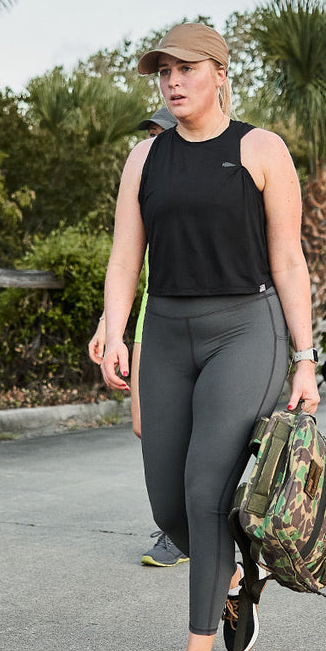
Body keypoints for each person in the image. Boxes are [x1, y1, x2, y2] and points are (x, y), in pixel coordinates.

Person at [100, 22, 319, 651]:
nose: (171, 80)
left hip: (244, 331)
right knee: (167, 505)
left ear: (220, 73)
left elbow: (288, 260)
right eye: (163, 70)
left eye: (186, 68)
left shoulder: (260, 150)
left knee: (203, 489)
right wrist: (112, 327)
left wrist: (306, 356)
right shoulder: (145, 158)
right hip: (165, 333)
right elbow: (125, 258)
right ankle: (230, 579)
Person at [87, 107, 188, 568]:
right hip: (152, 317)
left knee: (196, 433)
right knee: (145, 425)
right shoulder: (148, 186)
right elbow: (128, 260)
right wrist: (110, 326)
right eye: (147, 135)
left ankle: (181, 531)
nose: (150, 143)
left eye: (157, 134)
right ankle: (183, 522)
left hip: (206, 322)